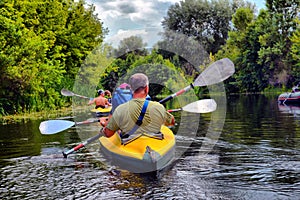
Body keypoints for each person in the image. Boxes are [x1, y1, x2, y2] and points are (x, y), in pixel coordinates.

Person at [101, 73, 175, 140]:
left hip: (129, 143)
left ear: (131, 89)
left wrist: (104, 127)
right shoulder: (159, 107)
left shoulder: (120, 109)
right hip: (154, 142)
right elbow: (172, 122)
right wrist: (161, 114)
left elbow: (108, 134)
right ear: (146, 88)